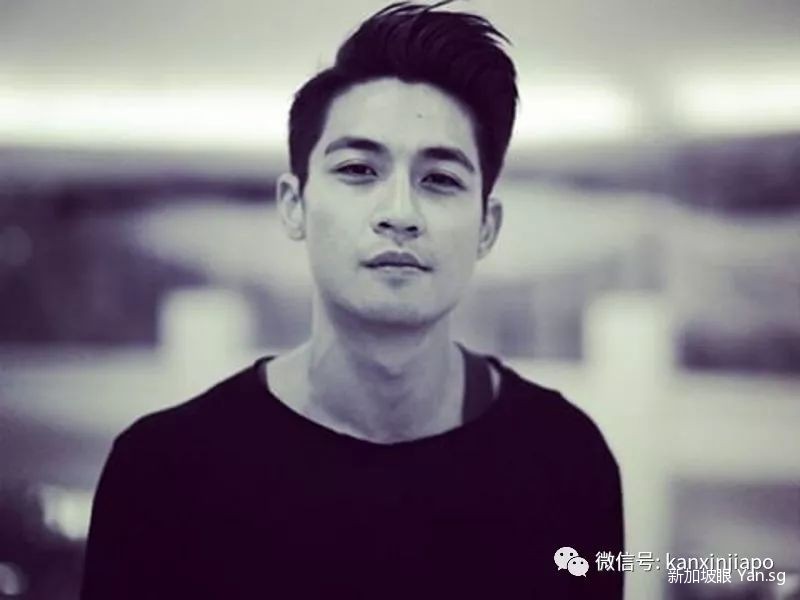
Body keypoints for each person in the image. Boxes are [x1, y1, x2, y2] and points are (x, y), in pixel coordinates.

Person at [80, 2, 624, 598]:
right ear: (294, 205)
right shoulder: (163, 473)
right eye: (359, 170)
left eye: (440, 179)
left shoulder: (566, 459)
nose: (399, 214)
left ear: (486, 227)